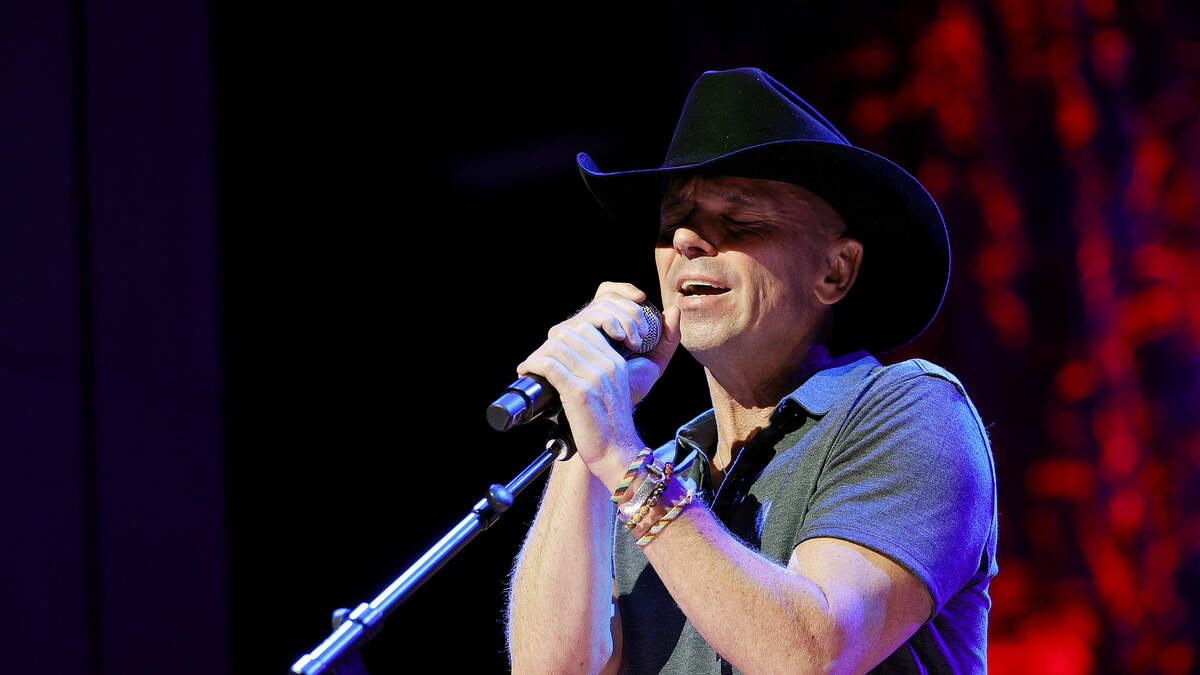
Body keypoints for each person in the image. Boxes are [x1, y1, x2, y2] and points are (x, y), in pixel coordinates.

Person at [505, 67, 997, 674]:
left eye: (739, 221)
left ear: (835, 271)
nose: (687, 239)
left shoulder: (913, 411)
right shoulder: (643, 470)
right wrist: (584, 436)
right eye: (672, 223)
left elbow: (810, 655)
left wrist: (622, 460)